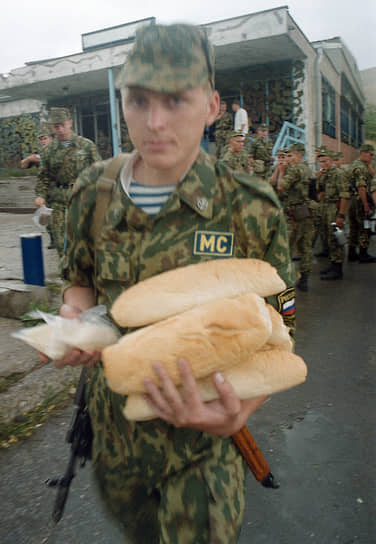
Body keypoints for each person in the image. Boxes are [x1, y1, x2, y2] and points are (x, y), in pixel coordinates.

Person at [44, 24, 295, 543]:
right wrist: (75, 317)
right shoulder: (93, 192)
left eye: (176, 99)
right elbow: (80, 282)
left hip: (204, 450)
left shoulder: (249, 206)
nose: (155, 123)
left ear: (211, 106)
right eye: (138, 100)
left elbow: (284, 320)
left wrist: (240, 412)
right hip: (117, 438)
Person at [34, 107, 101, 258]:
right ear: (52, 128)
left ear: (70, 123)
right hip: (58, 201)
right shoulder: (48, 150)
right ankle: (68, 276)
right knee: (60, 242)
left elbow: (99, 172)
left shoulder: (86, 145)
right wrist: (40, 195)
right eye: (57, 126)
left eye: (63, 125)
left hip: (82, 198)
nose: (61, 129)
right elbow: (44, 176)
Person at [279, 143, 314, 292]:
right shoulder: (307, 168)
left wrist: (281, 172)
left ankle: (285, 281)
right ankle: (304, 279)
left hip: (293, 213)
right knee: (305, 247)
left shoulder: (293, 170)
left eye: (291, 155)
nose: (289, 159)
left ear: (299, 155)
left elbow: (281, 187)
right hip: (306, 211)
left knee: (287, 247)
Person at [316, 150, 350, 280]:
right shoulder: (325, 174)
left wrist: (341, 215)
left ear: (332, 161)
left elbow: (344, 195)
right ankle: (333, 264)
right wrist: (319, 177)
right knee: (328, 238)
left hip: (334, 208)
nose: (323, 164)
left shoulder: (339, 174)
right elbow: (319, 191)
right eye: (321, 162)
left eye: (326, 161)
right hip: (325, 207)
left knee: (335, 238)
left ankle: (338, 269)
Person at [346, 144, 376, 263]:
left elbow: (373, 176)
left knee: (353, 227)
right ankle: (363, 254)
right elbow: (362, 187)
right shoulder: (360, 168)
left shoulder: (356, 164)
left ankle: (352, 253)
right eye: (370, 154)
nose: (372, 156)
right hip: (360, 200)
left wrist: (369, 165)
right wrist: (366, 205)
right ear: (363, 153)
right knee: (365, 226)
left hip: (352, 200)